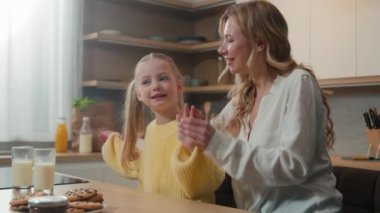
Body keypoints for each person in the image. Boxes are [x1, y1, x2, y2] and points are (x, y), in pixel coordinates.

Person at [177, 1, 342, 212]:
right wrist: (194, 137)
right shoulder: (244, 97)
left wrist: (213, 141)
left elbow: (294, 165)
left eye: (229, 40)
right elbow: (216, 145)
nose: (221, 49)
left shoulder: (298, 82)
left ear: (260, 43)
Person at [101, 52, 224, 203]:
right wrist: (111, 140)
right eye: (146, 82)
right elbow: (140, 167)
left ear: (179, 85)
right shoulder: (151, 130)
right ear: (139, 94)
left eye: (163, 78)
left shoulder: (192, 128)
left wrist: (193, 148)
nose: (156, 86)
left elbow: (203, 186)